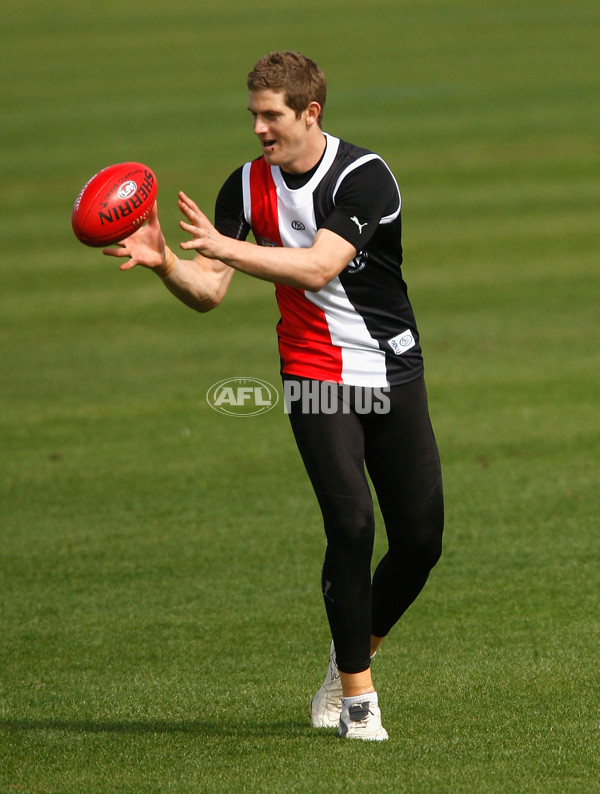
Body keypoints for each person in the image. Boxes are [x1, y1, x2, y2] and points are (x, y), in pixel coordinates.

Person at [104, 51, 444, 741]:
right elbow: (209, 293)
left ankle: (350, 650)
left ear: (309, 113)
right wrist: (169, 261)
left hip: (389, 372)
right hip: (314, 373)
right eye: (253, 114)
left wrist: (228, 249)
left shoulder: (364, 177)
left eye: (271, 115)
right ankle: (358, 700)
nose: (259, 128)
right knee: (351, 524)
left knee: (420, 542)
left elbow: (320, 264)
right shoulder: (245, 187)